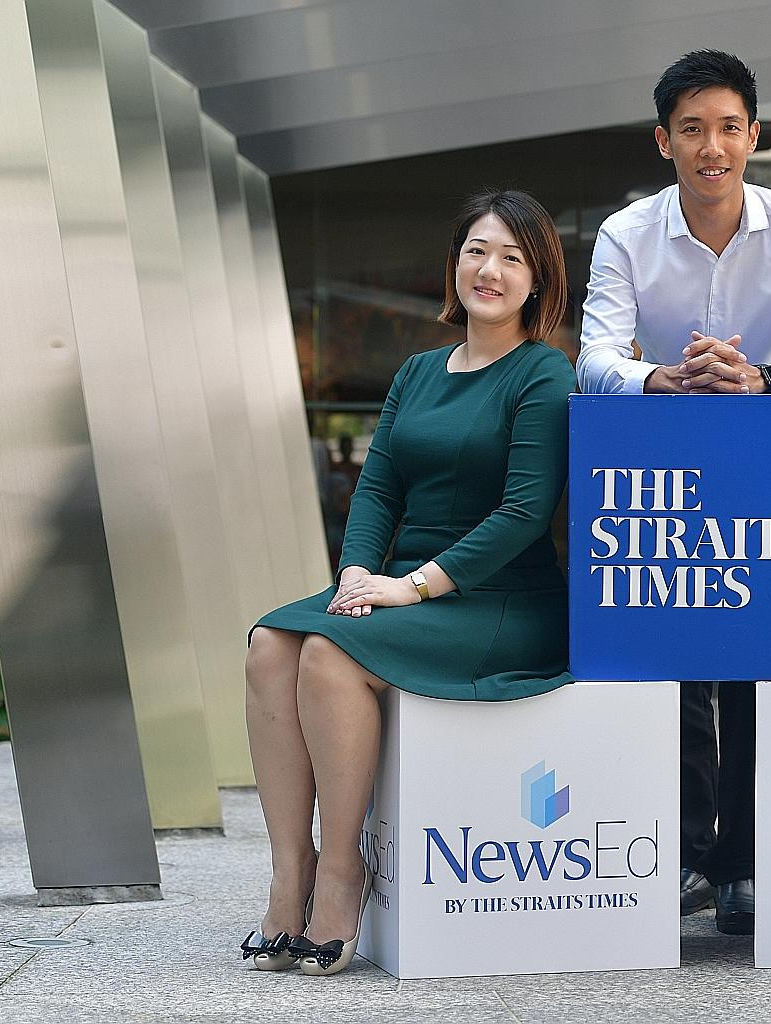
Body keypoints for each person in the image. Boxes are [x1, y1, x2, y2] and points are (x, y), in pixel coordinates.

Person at [240, 189, 575, 976]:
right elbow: (378, 488)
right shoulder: (419, 371)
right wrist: (357, 569)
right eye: (476, 251)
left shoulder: (543, 373)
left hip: (499, 599)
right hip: (401, 585)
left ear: (538, 279)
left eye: (511, 257)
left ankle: (342, 873)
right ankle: (289, 875)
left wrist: (413, 586)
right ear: (453, 262)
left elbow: (526, 513)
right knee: (268, 643)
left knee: (328, 652)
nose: (488, 270)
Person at [577, 49, 771, 935]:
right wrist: (660, 379)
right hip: (659, 472)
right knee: (680, 657)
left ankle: (743, 867)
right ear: (664, 141)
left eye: (729, 127)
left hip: (770, 470)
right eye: (692, 129)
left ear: (754, 136)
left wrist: (761, 380)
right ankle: (689, 851)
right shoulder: (625, 235)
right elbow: (593, 361)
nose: (712, 146)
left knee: (757, 659)